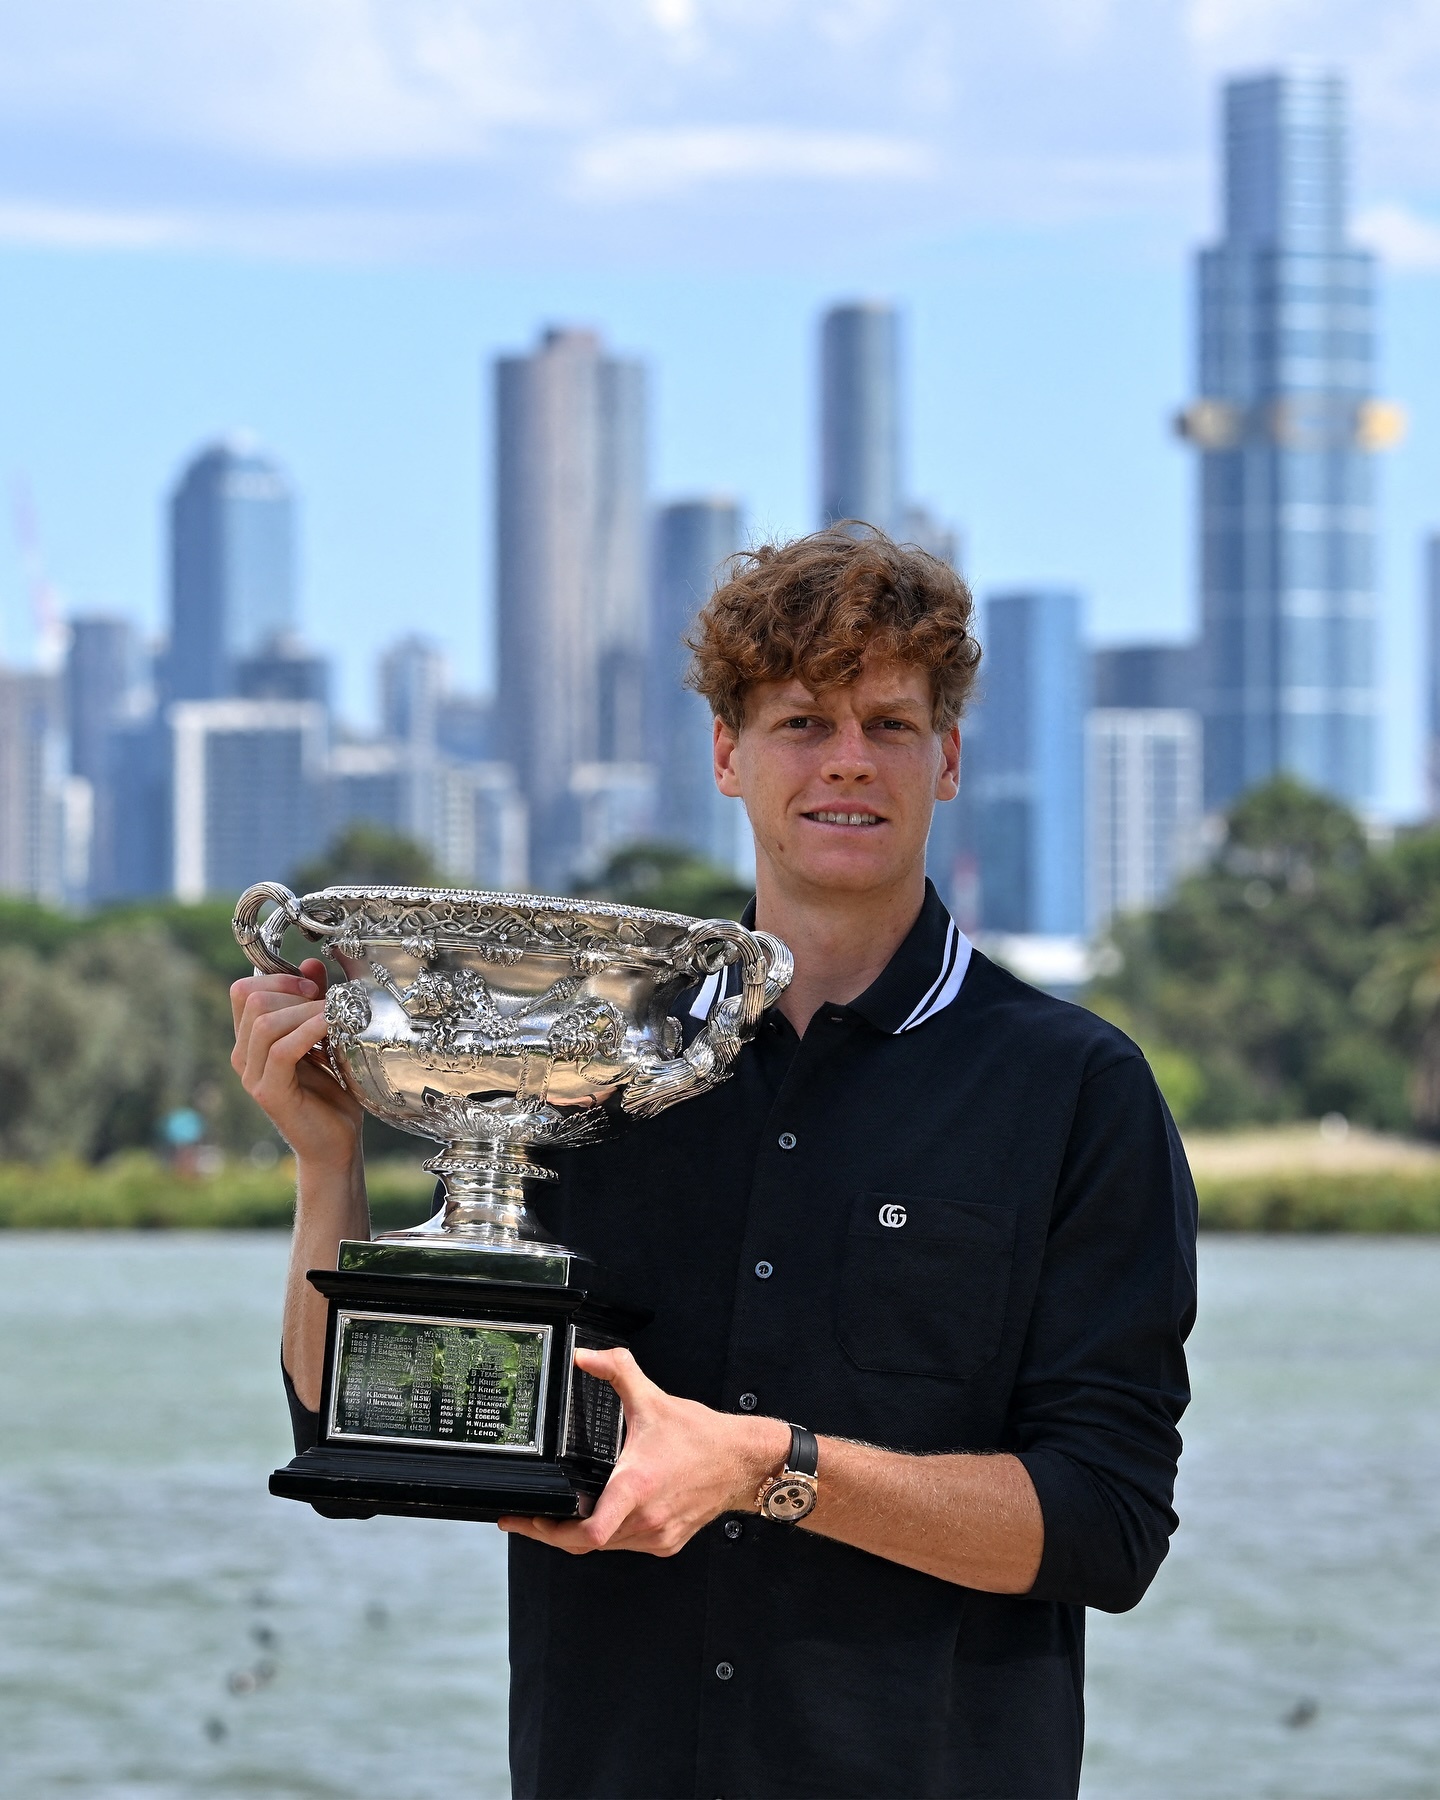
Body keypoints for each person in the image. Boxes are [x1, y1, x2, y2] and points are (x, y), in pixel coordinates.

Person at [231, 525, 1197, 1800]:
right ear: (728, 755)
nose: (848, 760)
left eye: (891, 724)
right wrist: (326, 1165)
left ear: (949, 759)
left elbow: (1106, 1524)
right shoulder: (593, 1070)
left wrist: (768, 1467)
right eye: (803, 721)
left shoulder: (1076, 1088)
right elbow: (365, 1420)